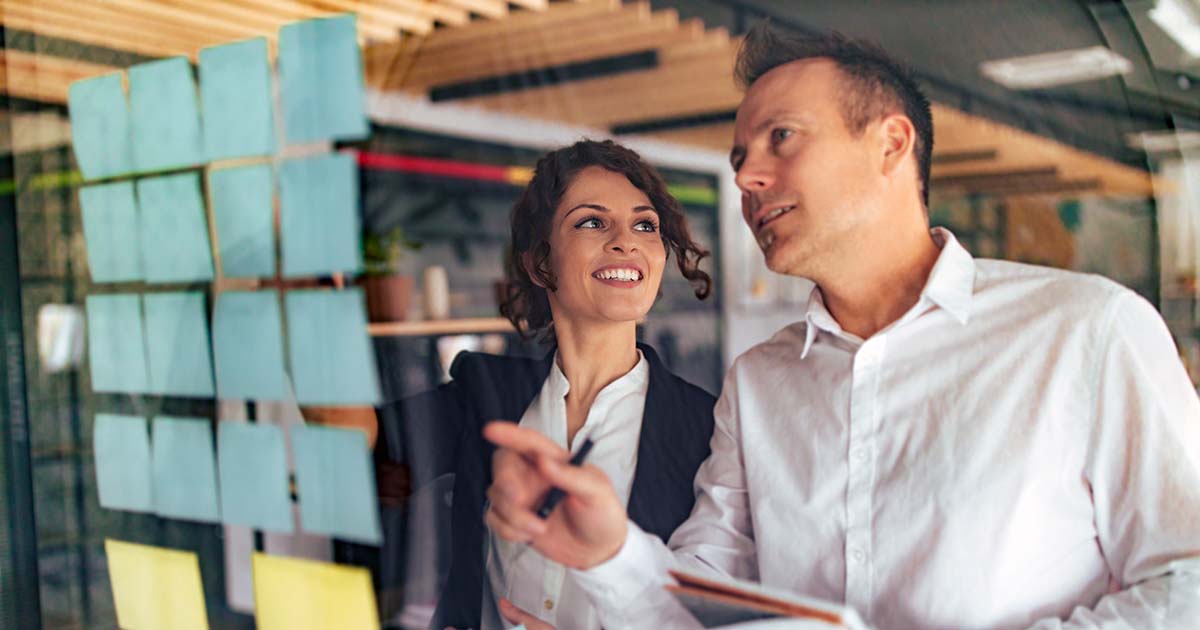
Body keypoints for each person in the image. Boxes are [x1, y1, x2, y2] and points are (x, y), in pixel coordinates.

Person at [482, 23, 1200, 629]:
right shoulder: (760, 380)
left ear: (891, 144)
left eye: (781, 139)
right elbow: (699, 605)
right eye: (739, 160)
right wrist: (610, 554)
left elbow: (1187, 583)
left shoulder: (1089, 331)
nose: (747, 178)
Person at [372, 139, 719, 629]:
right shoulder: (487, 394)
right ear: (541, 263)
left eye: (645, 224)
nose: (627, 240)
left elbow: (716, 610)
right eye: (592, 222)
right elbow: (361, 445)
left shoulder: (710, 427)